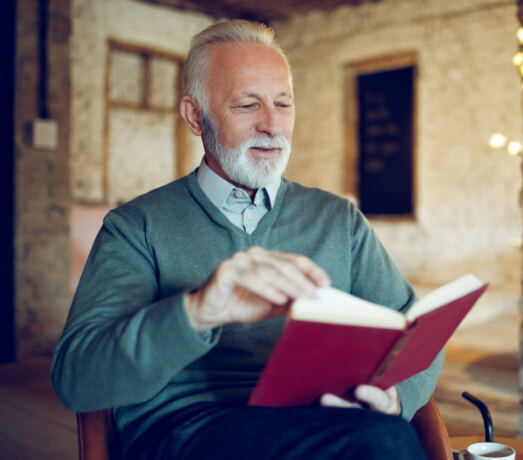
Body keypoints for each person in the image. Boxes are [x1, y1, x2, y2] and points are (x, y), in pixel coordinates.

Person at [52, 19, 442, 460]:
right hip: (190, 431)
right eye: (246, 105)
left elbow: (414, 334)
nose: (272, 125)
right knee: (382, 443)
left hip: (327, 423)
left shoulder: (339, 220)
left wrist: (394, 399)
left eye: (283, 104)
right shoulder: (136, 226)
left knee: (383, 436)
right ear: (195, 116)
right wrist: (196, 312)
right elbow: (76, 378)